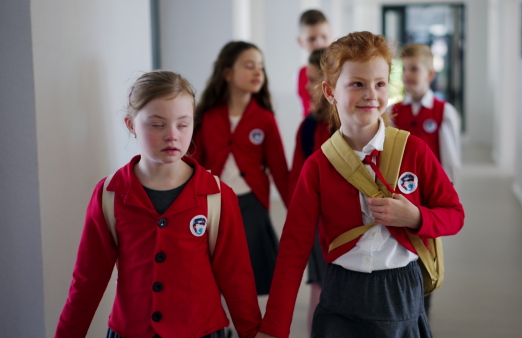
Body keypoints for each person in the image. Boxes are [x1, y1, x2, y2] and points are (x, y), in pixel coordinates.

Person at [256, 31, 464, 338]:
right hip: (342, 291)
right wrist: (274, 328)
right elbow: (293, 249)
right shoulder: (318, 166)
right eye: (357, 84)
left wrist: (416, 217)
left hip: (401, 291)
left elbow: (455, 214)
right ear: (330, 91)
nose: (371, 94)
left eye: (379, 84)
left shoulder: (414, 150)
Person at [55, 70, 261, 338]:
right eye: (157, 124)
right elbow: (87, 282)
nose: (172, 135)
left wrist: (253, 331)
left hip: (201, 331)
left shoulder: (217, 196)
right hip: (130, 331)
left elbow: (237, 278)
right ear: (131, 125)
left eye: (183, 124)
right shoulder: (110, 194)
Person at [190, 41, 289, 297]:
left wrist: (298, 211)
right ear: (227, 73)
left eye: (261, 67)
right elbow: (194, 164)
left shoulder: (265, 119)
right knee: (213, 270)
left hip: (252, 203)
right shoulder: (208, 116)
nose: (258, 72)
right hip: (213, 203)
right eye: (249, 66)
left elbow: (279, 169)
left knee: (248, 274)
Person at [288, 48, 334, 334]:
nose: (306, 85)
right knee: (320, 288)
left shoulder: (356, 128)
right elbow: (296, 181)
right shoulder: (307, 128)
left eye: (313, 79)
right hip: (320, 224)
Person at [389, 43, 461, 184]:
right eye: (404, 69)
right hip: (403, 183)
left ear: (430, 75)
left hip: (432, 182)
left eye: (414, 69)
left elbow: (450, 159)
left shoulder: (444, 111)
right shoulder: (393, 111)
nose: (407, 74)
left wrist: (449, 186)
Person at [296, 9, 333, 118]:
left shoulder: (342, 69)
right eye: (311, 39)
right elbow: (303, 110)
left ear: (331, 35)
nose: (319, 43)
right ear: (300, 41)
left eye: (324, 37)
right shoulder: (300, 74)